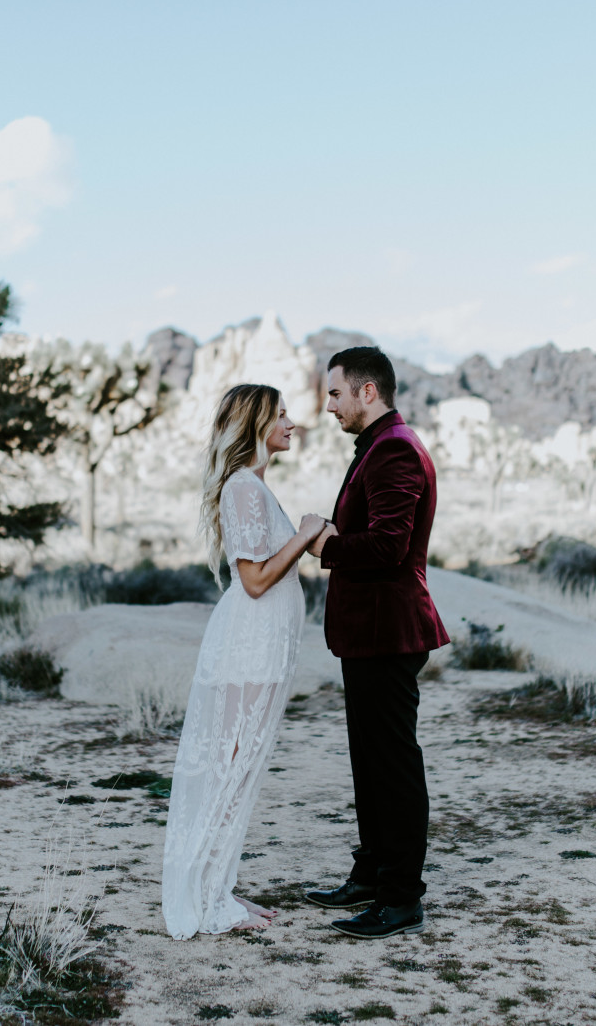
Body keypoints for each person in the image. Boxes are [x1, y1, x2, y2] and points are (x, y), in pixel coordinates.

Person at [161, 384, 328, 939]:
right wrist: (304, 537)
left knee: (240, 767)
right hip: (249, 643)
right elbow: (254, 579)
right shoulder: (242, 489)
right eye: (280, 414)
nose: (292, 422)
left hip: (265, 646)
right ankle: (206, 899)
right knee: (230, 766)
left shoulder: (256, 487)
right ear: (255, 424)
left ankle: (217, 889)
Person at [304, 345, 450, 940]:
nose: (328, 405)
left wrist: (325, 546)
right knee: (370, 761)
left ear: (369, 391)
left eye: (335, 393)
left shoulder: (393, 450)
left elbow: (390, 546)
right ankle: (371, 873)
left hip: (389, 631)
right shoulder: (379, 446)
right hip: (368, 633)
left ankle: (400, 898)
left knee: (392, 766)